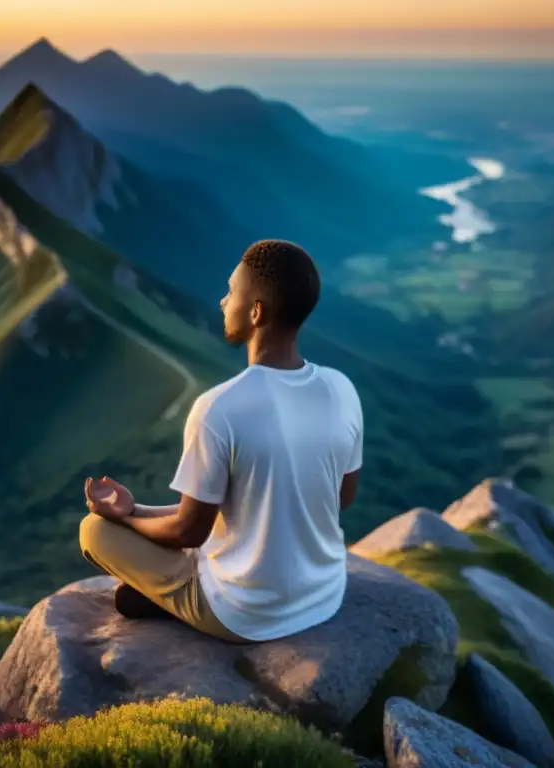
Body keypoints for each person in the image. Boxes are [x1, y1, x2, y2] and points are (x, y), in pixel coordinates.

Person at [78, 239, 363, 643]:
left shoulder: (219, 407)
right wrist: (137, 507)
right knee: (212, 531)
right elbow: (339, 498)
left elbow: (189, 533)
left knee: (94, 530)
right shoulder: (341, 389)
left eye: (231, 292)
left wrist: (122, 518)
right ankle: (170, 593)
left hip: (246, 615)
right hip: (322, 595)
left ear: (256, 311)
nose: (222, 302)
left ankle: (177, 602)